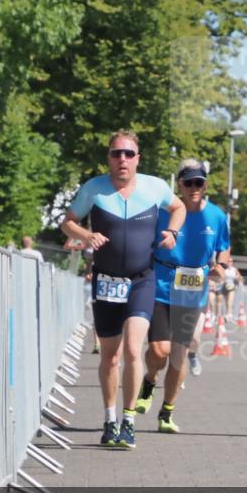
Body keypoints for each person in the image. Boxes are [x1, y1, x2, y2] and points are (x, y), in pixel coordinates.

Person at [60, 130, 185, 449]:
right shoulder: (94, 188)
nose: (122, 160)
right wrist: (85, 235)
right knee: (110, 357)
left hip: (142, 279)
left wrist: (172, 232)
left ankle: (128, 421)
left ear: (138, 158)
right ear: (109, 158)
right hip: (106, 281)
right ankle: (109, 420)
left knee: (133, 349)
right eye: (116, 154)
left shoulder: (155, 186)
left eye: (129, 154)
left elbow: (179, 207)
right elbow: (68, 222)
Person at [135, 160, 229, 433]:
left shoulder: (216, 216)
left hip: (193, 289)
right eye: (188, 183)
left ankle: (167, 412)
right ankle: (150, 380)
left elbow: (224, 248)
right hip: (162, 283)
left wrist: (220, 266)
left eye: (199, 183)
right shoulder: (164, 212)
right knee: (158, 350)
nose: (194, 188)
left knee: (179, 354)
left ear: (205, 185)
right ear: (180, 185)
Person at [217, 254, 242, 321]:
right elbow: (221, 278)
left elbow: (239, 277)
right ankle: (228, 313)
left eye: (231, 261)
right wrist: (222, 281)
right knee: (226, 301)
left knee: (230, 300)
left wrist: (237, 278)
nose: (230, 262)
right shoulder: (224, 270)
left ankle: (229, 314)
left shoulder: (234, 269)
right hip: (225, 286)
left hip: (232, 286)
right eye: (228, 261)